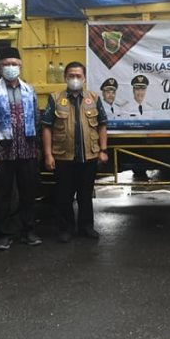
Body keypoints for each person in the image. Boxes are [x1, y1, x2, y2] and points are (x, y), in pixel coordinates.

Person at [0, 47, 42, 250]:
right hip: (2, 153)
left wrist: (37, 148)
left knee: (28, 194)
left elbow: (37, 120)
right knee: (3, 196)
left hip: (27, 151)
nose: (10, 67)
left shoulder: (29, 90)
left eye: (14, 64)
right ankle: (4, 234)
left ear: (20, 65)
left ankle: (28, 231)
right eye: (6, 64)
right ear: (0, 66)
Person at [42, 62, 108, 243]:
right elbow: (46, 127)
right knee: (64, 196)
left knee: (86, 195)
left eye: (78, 76)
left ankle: (86, 227)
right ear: (65, 77)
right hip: (63, 156)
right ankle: (66, 229)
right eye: (71, 75)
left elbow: (102, 124)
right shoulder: (55, 98)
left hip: (89, 156)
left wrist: (103, 150)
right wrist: (48, 154)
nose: (75, 79)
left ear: (85, 78)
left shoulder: (93, 98)